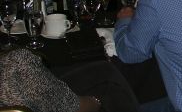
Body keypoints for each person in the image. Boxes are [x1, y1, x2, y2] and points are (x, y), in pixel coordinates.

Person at [0, 47, 139, 112]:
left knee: (103, 70)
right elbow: (72, 108)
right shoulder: (17, 65)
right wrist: (96, 100)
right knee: (110, 84)